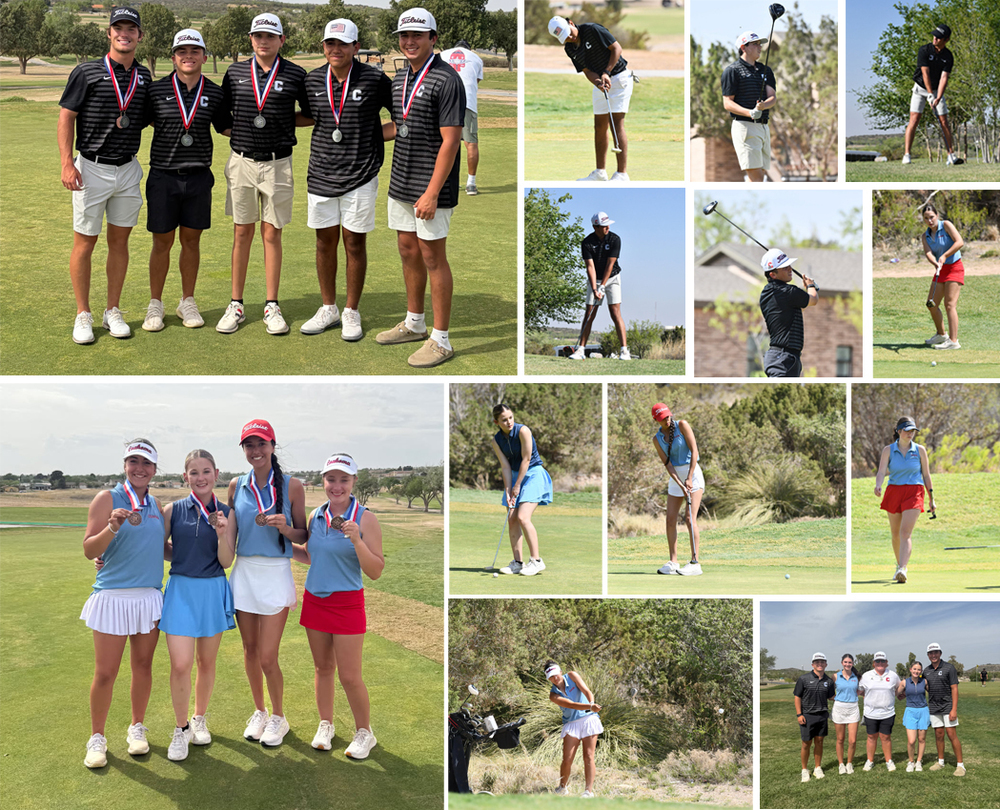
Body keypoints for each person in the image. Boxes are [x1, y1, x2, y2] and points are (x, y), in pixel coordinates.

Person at [375, 7, 465, 368]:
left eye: (417, 35)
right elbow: (400, 126)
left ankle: (441, 340)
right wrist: (361, 136)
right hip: (402, 180)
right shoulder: (399, 79)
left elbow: (451, 141)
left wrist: (431, 192)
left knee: (432, 256)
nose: (409, 42)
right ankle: (414, 323)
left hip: (432, 187)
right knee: (407, 250)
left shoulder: (447, 79)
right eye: (404, 36)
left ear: (433, 38)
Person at [58, 7, 152, 344]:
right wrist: (67, 164)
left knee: (120, 242)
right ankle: (83, 313)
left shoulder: (144, 77)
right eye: (118, 28)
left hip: (128, 169)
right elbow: (67, 117)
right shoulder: (86, 72)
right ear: (109, 33)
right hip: (91, 168)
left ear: (139, 35)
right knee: (85, 242)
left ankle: (113, 310)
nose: (124, 33)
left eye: (131, 28)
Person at [298, 19, 394, 342]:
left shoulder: (375, 79)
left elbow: (400, 118)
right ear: (323, 47)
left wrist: (372, 138)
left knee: (354, 243)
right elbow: (309, 116)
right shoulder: (312, 80)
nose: (335, 50)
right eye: (329, 44)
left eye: (342, 44)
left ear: (355, 47)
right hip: (321, 174)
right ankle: (329, 307)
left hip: (361, 174)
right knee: (324, 242)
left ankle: (351, 310)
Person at [216, 14, 311, 336]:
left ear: (282, 40)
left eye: (270, 36)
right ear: (250, 39)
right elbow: (223, 115)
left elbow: (309, 114)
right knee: (242, 232)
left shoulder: (296, 74)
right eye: (258, 36)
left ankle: (272, 305)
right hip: (241, 161)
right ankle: (236, 304)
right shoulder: (236, 72)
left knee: (272, 233)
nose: (263, 41)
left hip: (278, 163)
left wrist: (282, 124)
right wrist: (242, 131)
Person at [79, 439, 165, 768]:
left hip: (147, 598)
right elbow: (89, 549)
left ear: (155, 470)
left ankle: (136, 728)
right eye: (134, 461)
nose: (139, 468)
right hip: (113, 597)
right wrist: (112, 526)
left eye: (146, 463)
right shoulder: (107, 498)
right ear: (125, 465)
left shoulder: (156, 506)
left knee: (143, 668)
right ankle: (97, 738)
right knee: (105, 673)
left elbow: (159, 548)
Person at [140, 29, 232, 333]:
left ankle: (187, 301)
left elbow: (225, 128)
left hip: (198, 177)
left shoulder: (216, 92)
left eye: (195, 51)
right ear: (173, 57)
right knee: (161, 242)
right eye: (182, 52)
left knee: (191, 242)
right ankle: (156, 303)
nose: (188, 57)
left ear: (204, 56)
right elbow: (145, 121)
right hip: (163, 176)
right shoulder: (155, 90)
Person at [223, 419, 307, 747]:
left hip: (275, 573)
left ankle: (279, 717)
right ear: (244, 450)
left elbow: (304, 535)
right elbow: (230, 534)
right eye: (249, 445)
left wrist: (286, 529)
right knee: (249, 649)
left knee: (268, 657)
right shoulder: (235, 486)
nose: (255, 451)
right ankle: (259, 711)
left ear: (273, 445)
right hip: (244, 572)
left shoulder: (293, 486)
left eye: (261, 444)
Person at [300, 453, 385, 760]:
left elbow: (375, 570)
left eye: (343, 480)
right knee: (323, 668)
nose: (336, 486)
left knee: (350, 676)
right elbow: (311, 555)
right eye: (331, 479)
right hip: (314, 600)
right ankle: (326, 725)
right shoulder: (315, 515)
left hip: (347, 603)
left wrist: (357, 540)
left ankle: (365, 732)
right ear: (323, 481)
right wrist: (280, 541)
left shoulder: (366, 518)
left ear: (354, 482)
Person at [158, 450, 235, 762]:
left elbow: (227, 561)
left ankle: (200, 717)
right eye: (194, 472)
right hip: (181, 592)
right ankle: (181, 728)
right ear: (185, 476)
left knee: (206, 662)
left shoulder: (227, 512)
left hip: (213, 591)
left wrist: (221, 534)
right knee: (180, 664)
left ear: (216, 474)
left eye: (206, 471)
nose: (200, 477)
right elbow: (157, 547)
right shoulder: (172, 510)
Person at [547, 16, 631, 182]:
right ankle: (600, 173)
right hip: (600, 81)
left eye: (569, 33)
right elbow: (586, 70)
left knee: (616, 124)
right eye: (564, 37)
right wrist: (598, 82)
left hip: (619, 77)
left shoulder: (593, 30)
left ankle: (622, 174)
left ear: (571, 23)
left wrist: (606, 72)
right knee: (599, 126)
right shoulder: (569, 48)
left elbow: (617, 49)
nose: (569, 38)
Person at [490, 403, 553, 577]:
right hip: (514, 476)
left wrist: (517, 486)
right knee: (512, 518)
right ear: (496, 422)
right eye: (504, 420)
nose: (509, 422)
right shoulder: (496, 441)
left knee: (523, 517)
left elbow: (526, 460)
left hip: (533, 474)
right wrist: (509, 490)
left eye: (510, 417)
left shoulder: (523, 431)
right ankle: (517, 563)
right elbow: (505, 466)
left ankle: (536, 561)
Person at [873, 417, 935, 584]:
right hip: (894, 491)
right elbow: (881, 472)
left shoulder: (920, 450)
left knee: (905, 532)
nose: (910, 433)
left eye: (913, 430)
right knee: (895, 534)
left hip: (914, 491)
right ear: (898, 431)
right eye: (907, 430)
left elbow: (926, 475)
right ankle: (899, 565)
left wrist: (931, 498)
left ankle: (903, 568)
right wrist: (878, 485)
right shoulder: (888, 450)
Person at [568, 212, 630, 360]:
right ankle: (581, 350)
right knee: (590, 313)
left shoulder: (615, 239)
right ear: (595, 227)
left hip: (612, 278)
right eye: (603, 225)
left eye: (608, 224)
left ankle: (624, 351)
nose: (607, 227)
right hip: (595, 279)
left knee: (615, 313)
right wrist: (595, 288)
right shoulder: (587, 242)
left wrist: (603, 286)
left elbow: (611, 264)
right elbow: (590, 267)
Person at [651, 403, 704, 576]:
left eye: (667, 416)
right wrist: (680, 483)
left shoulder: (682, 425)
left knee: (690, 518)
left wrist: (688, 478)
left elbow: (695, 451)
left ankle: (695, 563)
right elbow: (668, 464)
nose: (667, 420)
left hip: (692, 473)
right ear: (656, 420)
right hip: (675, 478)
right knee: (670, 519)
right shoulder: (656, 439)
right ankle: (673, 562)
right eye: (662, 418)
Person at [902, 24, 963, 166]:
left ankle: (950, 155)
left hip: (937, 90)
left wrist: (938, 97)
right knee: (914, 120)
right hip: (920, 88)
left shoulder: (948, 56)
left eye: (939, 37)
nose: (935, 38)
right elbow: (925, 73)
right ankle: (907, 154)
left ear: (946, 39)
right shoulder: (924, 50)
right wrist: (929, 94)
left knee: (944, 122)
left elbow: (944, 78)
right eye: (934, 35)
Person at [721, 32, 776, 183]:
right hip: (745, 127)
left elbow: (772, 97)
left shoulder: (766, 71)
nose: (760, 47)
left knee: (760, 176)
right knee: (757, 177)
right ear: (744, 48)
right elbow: (727, 103)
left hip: (763, 127)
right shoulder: (732, 71)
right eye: (755, 44)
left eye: (760, 44)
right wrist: (750, 112)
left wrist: (764, 106)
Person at [545, 661, 604, 797]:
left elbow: (586, 691)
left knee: (588, 756)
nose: (555, 678)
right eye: (551, 677)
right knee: (567, 759)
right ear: (548, 678)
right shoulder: (553, 695)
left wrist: (591, 704)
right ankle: (562, 788)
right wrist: (590, 707)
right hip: (571, 723)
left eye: (556, 674)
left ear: (560, 671)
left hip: (589, 719)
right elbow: (571, 705)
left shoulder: (571, 675)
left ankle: (588, 791)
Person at [758, 248, 818, 377]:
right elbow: (813, 300)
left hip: (779, 357)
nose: (790, 269)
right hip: (783, 359)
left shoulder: (766, 294)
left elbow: (790, 304)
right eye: (784, 267)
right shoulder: (789, 291)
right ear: (773, 274)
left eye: (789, 265)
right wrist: (810, 286)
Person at [440, 39, 484, 195]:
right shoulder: (476, 58)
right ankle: (471, 184)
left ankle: (446, 180)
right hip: (467, 103)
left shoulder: (442, 54)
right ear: (468, 49)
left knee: (445, 141)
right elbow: (475, 82)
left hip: (444, 102)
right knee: (471, 143)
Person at [920, 202, 965, 351]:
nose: (929, 220)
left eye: (932, 217)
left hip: (954, 267)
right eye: (926, 218)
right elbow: (928, 253)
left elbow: (960, 242)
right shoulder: (925, 236)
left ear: (937, 215)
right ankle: (941, 334)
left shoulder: (946, 225)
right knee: (931, 304)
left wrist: (945, 255)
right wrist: (935, 263)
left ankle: (953, 341)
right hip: (941, 269)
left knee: (950, 305)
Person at [793, 652, 835, 782]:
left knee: (819, 742)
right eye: (817, 662)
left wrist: (848, 697)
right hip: (807, 716)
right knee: (806, 743)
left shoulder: (828, 681)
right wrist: (799, 714)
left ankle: (817, 767)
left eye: (822, 662)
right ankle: (804, 770)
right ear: (813, 664)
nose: (820, 664)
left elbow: (831, 697)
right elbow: (797, 696)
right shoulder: (804, 679)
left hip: (822, 715)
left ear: (826, 664)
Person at [924, 642, 965, 776]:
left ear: (940, 653)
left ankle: (960, 765)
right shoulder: (926, 670)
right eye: (931, 653)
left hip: (948, 706)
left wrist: (954, 709)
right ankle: (940, 761)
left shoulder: (949, 667)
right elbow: (921, 685)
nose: (933, 655)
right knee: (939, 735)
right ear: (928, 655)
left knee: (952, 734)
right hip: (934, 707)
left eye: (936, 652)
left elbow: (954, 688)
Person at [858, 651, 901, 772]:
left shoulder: (893, 675)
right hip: (870, 713)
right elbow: (860, 691)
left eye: (882, 661)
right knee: (871, 737)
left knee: (886, 737)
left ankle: (889, 761)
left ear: (887, 663)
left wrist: (898, 695)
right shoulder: (866, 676)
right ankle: (869, 761)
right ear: (873, 663)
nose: (880, 663)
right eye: (877, 661)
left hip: (888, 713)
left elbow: (898, 688)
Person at [896, 660, 929, 772]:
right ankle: (911, 761)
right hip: (910, 711)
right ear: (910, 670)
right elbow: (896, 693)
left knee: (922, 739)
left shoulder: (924, 682)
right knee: (911, 740)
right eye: (914, 669)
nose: (916, 671)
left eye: (918, 669)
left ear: (921, 671)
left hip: (923, 711)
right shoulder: (905, 682)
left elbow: (934, 692)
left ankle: (919, 761)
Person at [832, 654, 861, 775]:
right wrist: (834, 698)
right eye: (845, 662)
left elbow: (860, 690)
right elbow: (829, 691)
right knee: (840, 739)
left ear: (852, 663)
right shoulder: (835, 676)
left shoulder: (857, 677)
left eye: (850, 662)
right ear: (842, 663)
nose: (847, 664)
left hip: (853, 708)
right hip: (839, 708)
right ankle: (841, 764)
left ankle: (849, 763)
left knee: (852, 740)